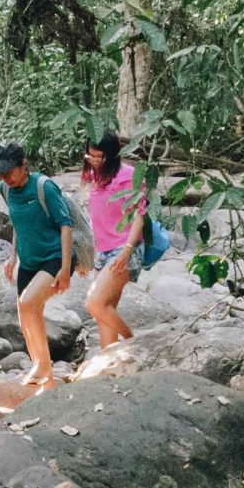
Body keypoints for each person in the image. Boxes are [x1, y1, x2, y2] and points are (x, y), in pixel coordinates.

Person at [0, 141, 75, 388]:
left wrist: (65, 268)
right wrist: (12, 258)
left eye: (9, 171)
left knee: (29, 302)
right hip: (28, 261)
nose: (5, 177)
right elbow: (18, 225)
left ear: (23, 165)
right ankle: (40, 369)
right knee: (25, 315)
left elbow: (65, 225)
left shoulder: (44, 187)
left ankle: (43, 368)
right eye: (1, 172)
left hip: (54, 257)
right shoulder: (5, 189)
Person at [80, 129, 144, 351]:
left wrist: (127, 251)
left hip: (124, 250)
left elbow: (139, 216)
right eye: (91, 156)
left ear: (113, 154)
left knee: (94, 302)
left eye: (100, 157)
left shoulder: (128, 176)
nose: (95, 161)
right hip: (102, 252)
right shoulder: (95, 176)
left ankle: (133, 343)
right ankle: (111, 363)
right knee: (103, 312)